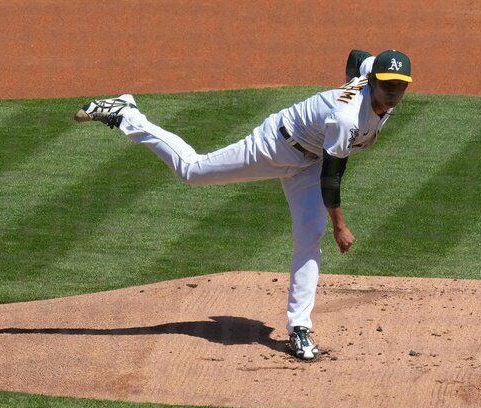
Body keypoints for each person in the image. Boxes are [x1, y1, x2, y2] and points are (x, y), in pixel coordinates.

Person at [73, 48, 413, 362]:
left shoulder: (374, 78)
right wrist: (341, 225)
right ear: (373, 82)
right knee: (193, 171)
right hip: (276, 145)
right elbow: (333, 177)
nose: (393, 90)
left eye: (399, 84)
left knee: (310, 234)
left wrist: (349, 82)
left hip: (309, 163)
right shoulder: (345, 118)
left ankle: (299, 328)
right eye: (387, 84)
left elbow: (358, 57)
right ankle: (126, 114)